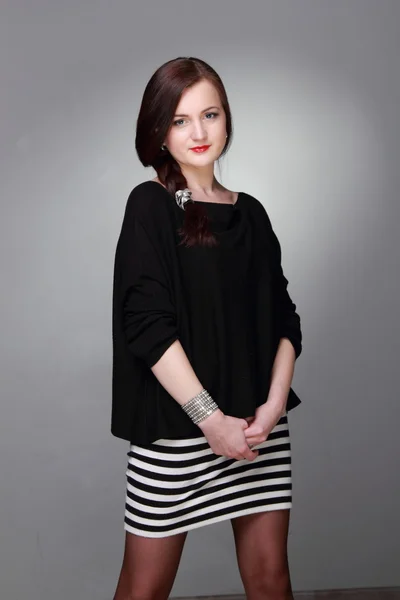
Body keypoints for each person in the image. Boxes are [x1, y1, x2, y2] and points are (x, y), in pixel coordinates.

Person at [111, 56, 303, 600]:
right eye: (180, 119)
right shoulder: (148, 205)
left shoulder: (253, 214)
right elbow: (146, 326)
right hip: (177, 435)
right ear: (158, 130)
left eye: (210, 115)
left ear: (227, 121)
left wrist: (272, 407)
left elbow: (285, 320)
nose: (198, 132)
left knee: (271, 581)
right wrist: (210, 420)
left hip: (258, 431)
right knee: (144, 588)